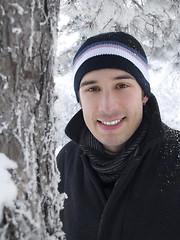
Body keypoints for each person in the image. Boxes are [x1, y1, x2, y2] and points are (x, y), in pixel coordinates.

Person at [57, 32, 180, 240]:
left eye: (122, 85)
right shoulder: (65, 164)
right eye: (93, 88)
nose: (108, 106)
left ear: (144, 94)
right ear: (80, 101)